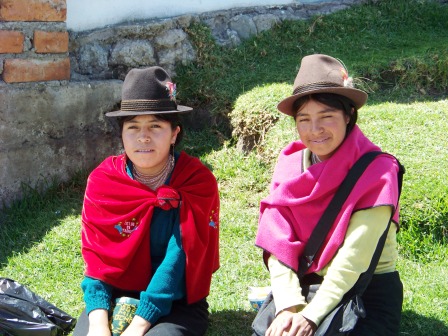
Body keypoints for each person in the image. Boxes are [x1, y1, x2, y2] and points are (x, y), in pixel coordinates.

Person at [254, 54, 403, 336]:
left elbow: (354, 259)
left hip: (365, 289)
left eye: (327, 116)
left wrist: (311, 317)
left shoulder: (380, 171)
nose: (315, 130)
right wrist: (288, 305)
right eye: (304, 119)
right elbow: (278, 244)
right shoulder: (289, 163)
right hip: (305, 285)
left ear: (348, 115)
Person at [73, 66, 220, 336]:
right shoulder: (104, 181)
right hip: (115, 292)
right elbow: (97, 260)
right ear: (122, 134)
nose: (143, 137)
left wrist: (139, 324)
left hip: (177, 300)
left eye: (155, 126)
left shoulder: (197, 182)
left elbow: (178, 260)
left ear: (175, 132)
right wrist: (97, 322)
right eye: (133, 127)